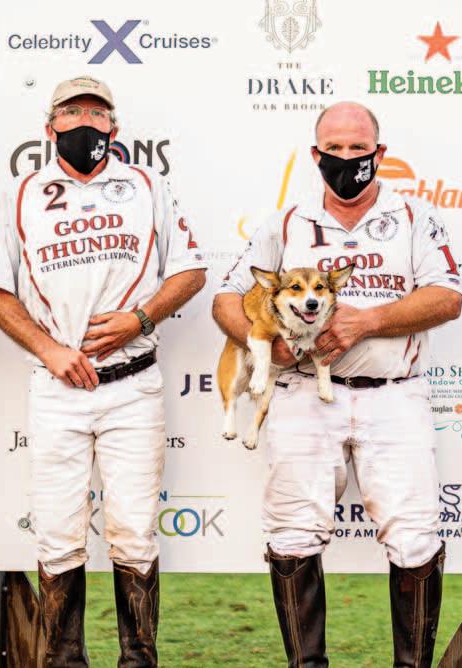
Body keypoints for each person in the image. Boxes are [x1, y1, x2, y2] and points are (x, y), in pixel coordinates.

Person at [213, 101, 462, 667]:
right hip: (305, 395)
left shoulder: (415, 217)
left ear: (379, 153)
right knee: (293, 533)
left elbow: (448, 296)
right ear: (316, 154)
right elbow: (227, 298)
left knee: (415, 537)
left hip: (394, 393)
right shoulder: (286, 222)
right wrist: (265, 343)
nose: (346, 158)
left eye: (358, 148)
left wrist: (366, 321)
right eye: (334, 149)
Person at [0, 75, 207, 666]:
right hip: (58, 389)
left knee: (134, 531)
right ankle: (64, 660)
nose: (85, 123)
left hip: (134, 384)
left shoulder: (146, 185)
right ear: (49, 126)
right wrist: (48, 349)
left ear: (114, 126)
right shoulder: (22, 193)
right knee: (58, 532)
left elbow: (190, 271)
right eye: (72, 112)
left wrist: (140, 318)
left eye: (97, 113)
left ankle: (138, 659)